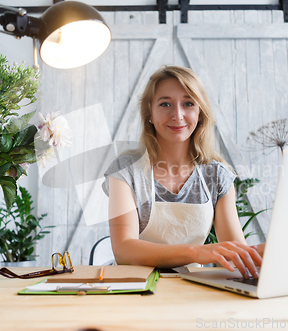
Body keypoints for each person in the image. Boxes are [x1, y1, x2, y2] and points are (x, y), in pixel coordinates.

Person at [102, 66, 264, 279]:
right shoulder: (125, 170)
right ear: (150, 113)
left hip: (191, 288)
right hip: (133, 287)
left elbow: (236, 249)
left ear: (200, 113)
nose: (177, 115)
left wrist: (279, 248)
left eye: (188, 103)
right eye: (165, 104)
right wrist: (195, 252)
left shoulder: (217, 175)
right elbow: (124, 250)